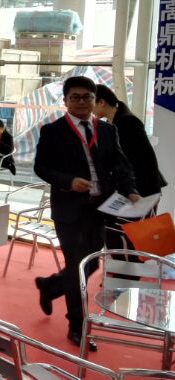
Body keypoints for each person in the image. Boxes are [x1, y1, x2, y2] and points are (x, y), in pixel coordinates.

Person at [33, 76, 140, 350]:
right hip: (69, 209)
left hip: (99, 208)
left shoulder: (107, 131)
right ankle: (77, 326)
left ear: (95, 100)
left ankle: (51, 286)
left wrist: (130, 190)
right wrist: (68, 181)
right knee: (78, 265)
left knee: (90, 264)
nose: (81, 102)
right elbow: (41, 167)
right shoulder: (52, 131)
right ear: (65, 100)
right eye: (75, 97)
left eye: (87, 97)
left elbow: (122, 165)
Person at [94, 84, 167, 265]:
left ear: (101, 102)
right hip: (132, 188)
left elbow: (140, 161)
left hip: (141, 189)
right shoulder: (115, 122)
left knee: (125, 232)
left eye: (91, 103)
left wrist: (130, 191)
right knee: (117, 230)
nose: (90, 110)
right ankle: (126, 269)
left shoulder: (127, 122)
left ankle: (129, 270)